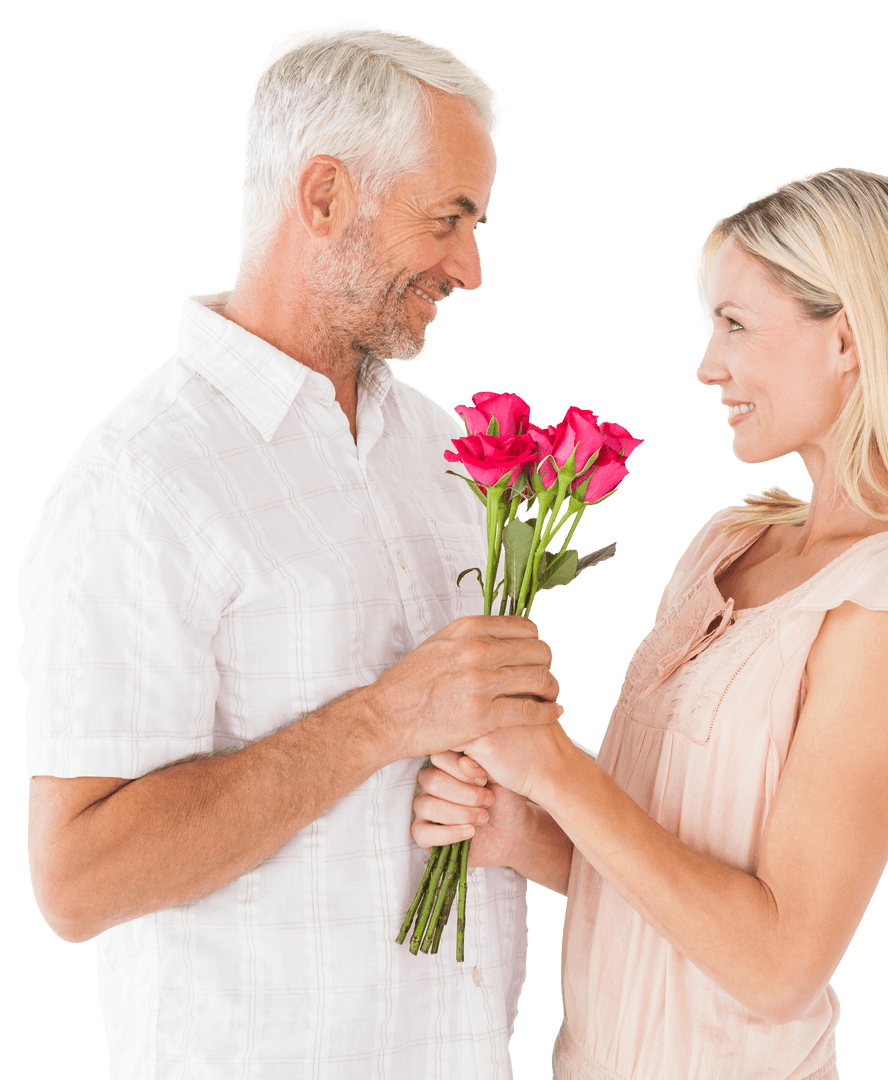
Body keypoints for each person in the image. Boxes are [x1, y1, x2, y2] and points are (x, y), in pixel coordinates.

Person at [20, 22, 562, 1080]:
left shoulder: (450, 457)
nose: (472, 267)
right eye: (447, 219)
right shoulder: (143, 482)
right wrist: (384, 718)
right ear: (323, 198)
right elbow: (77, 880)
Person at [411, 168, 888, 1079]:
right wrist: (526, 828)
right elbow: (676, 874)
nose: (708, 366)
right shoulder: (731, 542)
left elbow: (779, 965)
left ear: (849, 339)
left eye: (734, 326)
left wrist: (552, 767)